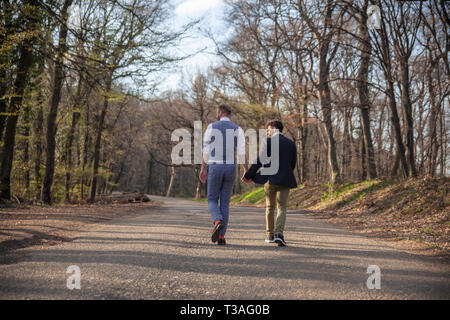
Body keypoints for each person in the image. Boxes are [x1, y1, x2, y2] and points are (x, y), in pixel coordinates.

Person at [242, 120, 297, 246]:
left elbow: (259, 161)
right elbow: (292, 164)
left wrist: (248, 175)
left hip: (270, 179)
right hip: (285, 179)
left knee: (270, 207)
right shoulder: (291, 144)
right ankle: (279, 234)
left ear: (273, 128)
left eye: (268, 130)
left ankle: (270, 234)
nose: (267, 132)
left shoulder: (268, 142)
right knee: (282, 207)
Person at [199, 105, 247, 245]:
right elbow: (242, 152)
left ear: (220, 113)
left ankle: (217, 220)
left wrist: (203, 169)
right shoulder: (238, 129)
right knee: (225, 202)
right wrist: (245, 169)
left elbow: (206, 151)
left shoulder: (211, 127)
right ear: (229, 114)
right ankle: (221, 236)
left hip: (215, 166)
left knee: (212, 199)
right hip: (231, 167)